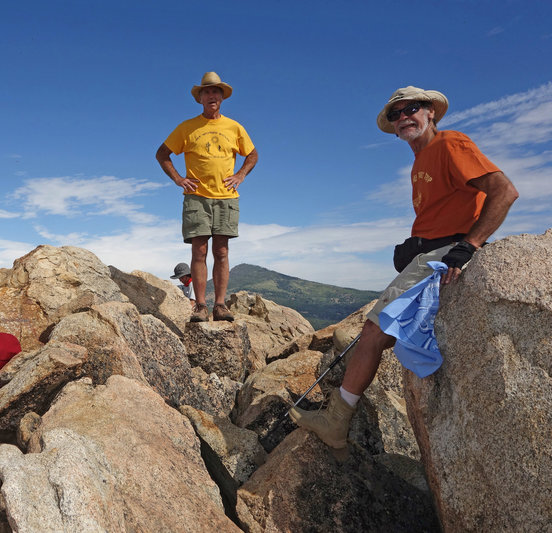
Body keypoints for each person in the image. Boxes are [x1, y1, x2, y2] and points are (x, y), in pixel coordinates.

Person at [289, 86, 519, 449]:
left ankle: (335, 421)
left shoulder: (449, 144)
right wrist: (417, 243)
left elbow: (503, 191)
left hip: (443, 254)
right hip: (430, 250)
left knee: (371, 333)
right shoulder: (420, 161)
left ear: (431, 113)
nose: (403, 117)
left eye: (412, 108)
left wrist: (468, 244)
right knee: (375, 332)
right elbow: (446, 208)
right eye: (396, 114)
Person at [156, 71, 258, 323]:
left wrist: (240, 175)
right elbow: (162, 154)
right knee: (199, 252)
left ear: (222, 97)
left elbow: (252, 154)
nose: (212, 96)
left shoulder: (234, 127)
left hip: (226, 196)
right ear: (200, 97)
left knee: (221, 251)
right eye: (207, 91)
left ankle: (220, 306)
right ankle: (201, 306)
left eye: (216, 92)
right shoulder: (187, 127)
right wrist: (179, 179)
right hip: (197, 196)